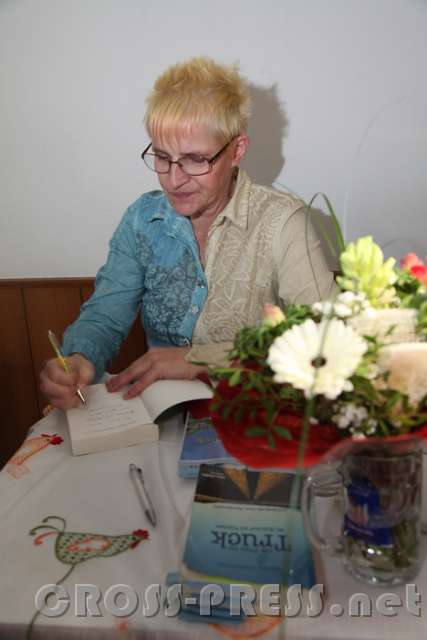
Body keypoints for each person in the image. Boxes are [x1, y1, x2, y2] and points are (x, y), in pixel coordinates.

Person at [40, 56, 335, 410]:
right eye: (162, 157)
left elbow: (327, 337)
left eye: (196, 159)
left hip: (262, 416)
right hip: (167, 417)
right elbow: (106, 315)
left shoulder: (283, 223)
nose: (173, 180)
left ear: (237, 150)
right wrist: (79, 358)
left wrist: (200, 359)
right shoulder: (142, 219)